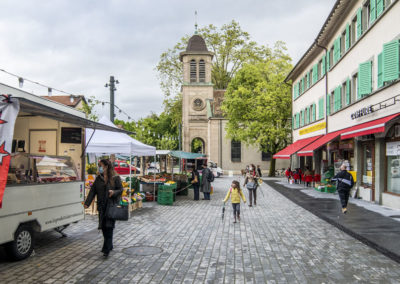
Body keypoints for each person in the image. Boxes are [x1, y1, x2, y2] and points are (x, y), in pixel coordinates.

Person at [84, 159, 123, 257]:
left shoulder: (115, 177)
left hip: (111, 206)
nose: (99, 167)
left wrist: (114, 192)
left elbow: (121, 189)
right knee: (103, 227)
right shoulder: (99, 178)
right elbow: (93, 191)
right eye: (99, 165)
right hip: (101, 206)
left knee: (109, 227)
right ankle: (109, 245)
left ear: (106, 166)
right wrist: (87, 203)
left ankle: (106, 249)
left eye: (100, 165)